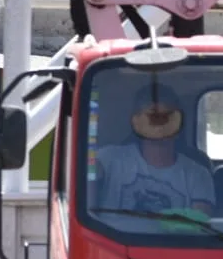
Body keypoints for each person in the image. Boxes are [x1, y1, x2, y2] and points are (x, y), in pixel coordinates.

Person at [92, 83, 215, 215]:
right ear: (137, 122)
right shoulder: (109, 158)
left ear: (179, 123)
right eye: (153, 118)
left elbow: (200, 226)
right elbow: (80, 182)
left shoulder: (198, 174)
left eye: (165, 118)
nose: (159, 125)